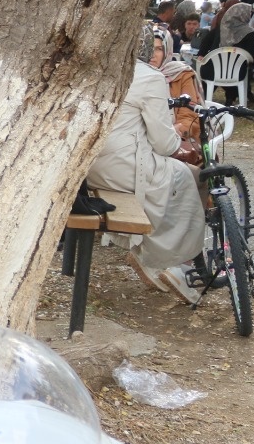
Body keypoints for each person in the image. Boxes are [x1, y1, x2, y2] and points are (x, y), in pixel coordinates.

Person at [86, 27, 204, 303]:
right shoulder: (149, 78)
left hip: (92, 169)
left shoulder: (100, 70)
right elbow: (164, 143)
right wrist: (180, 147)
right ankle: (179, 267)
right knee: (186, 179)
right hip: (124, 168)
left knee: (173, 179)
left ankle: (151, 258)